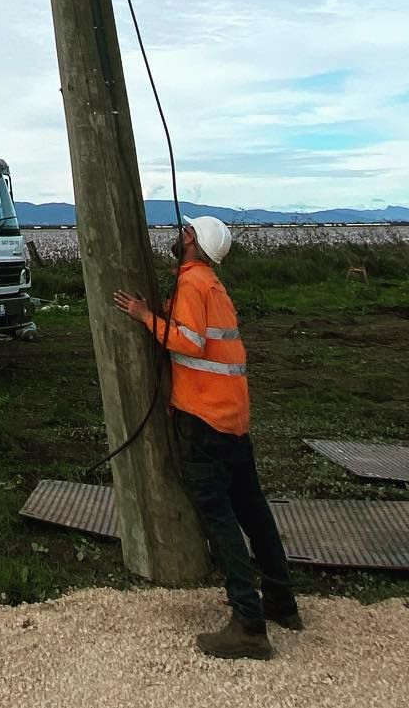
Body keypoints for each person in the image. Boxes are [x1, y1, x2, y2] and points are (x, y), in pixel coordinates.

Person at [114, 214, 301, 661]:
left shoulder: (194, 285)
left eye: (184, 232)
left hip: (204, 421)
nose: (179, 237)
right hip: (232, 418)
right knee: (254, 512)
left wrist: (145, 317)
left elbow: (189, 342)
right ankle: (281, 601)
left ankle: (249, 625)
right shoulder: (214, 286)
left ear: (193, 240)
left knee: (221, 521)